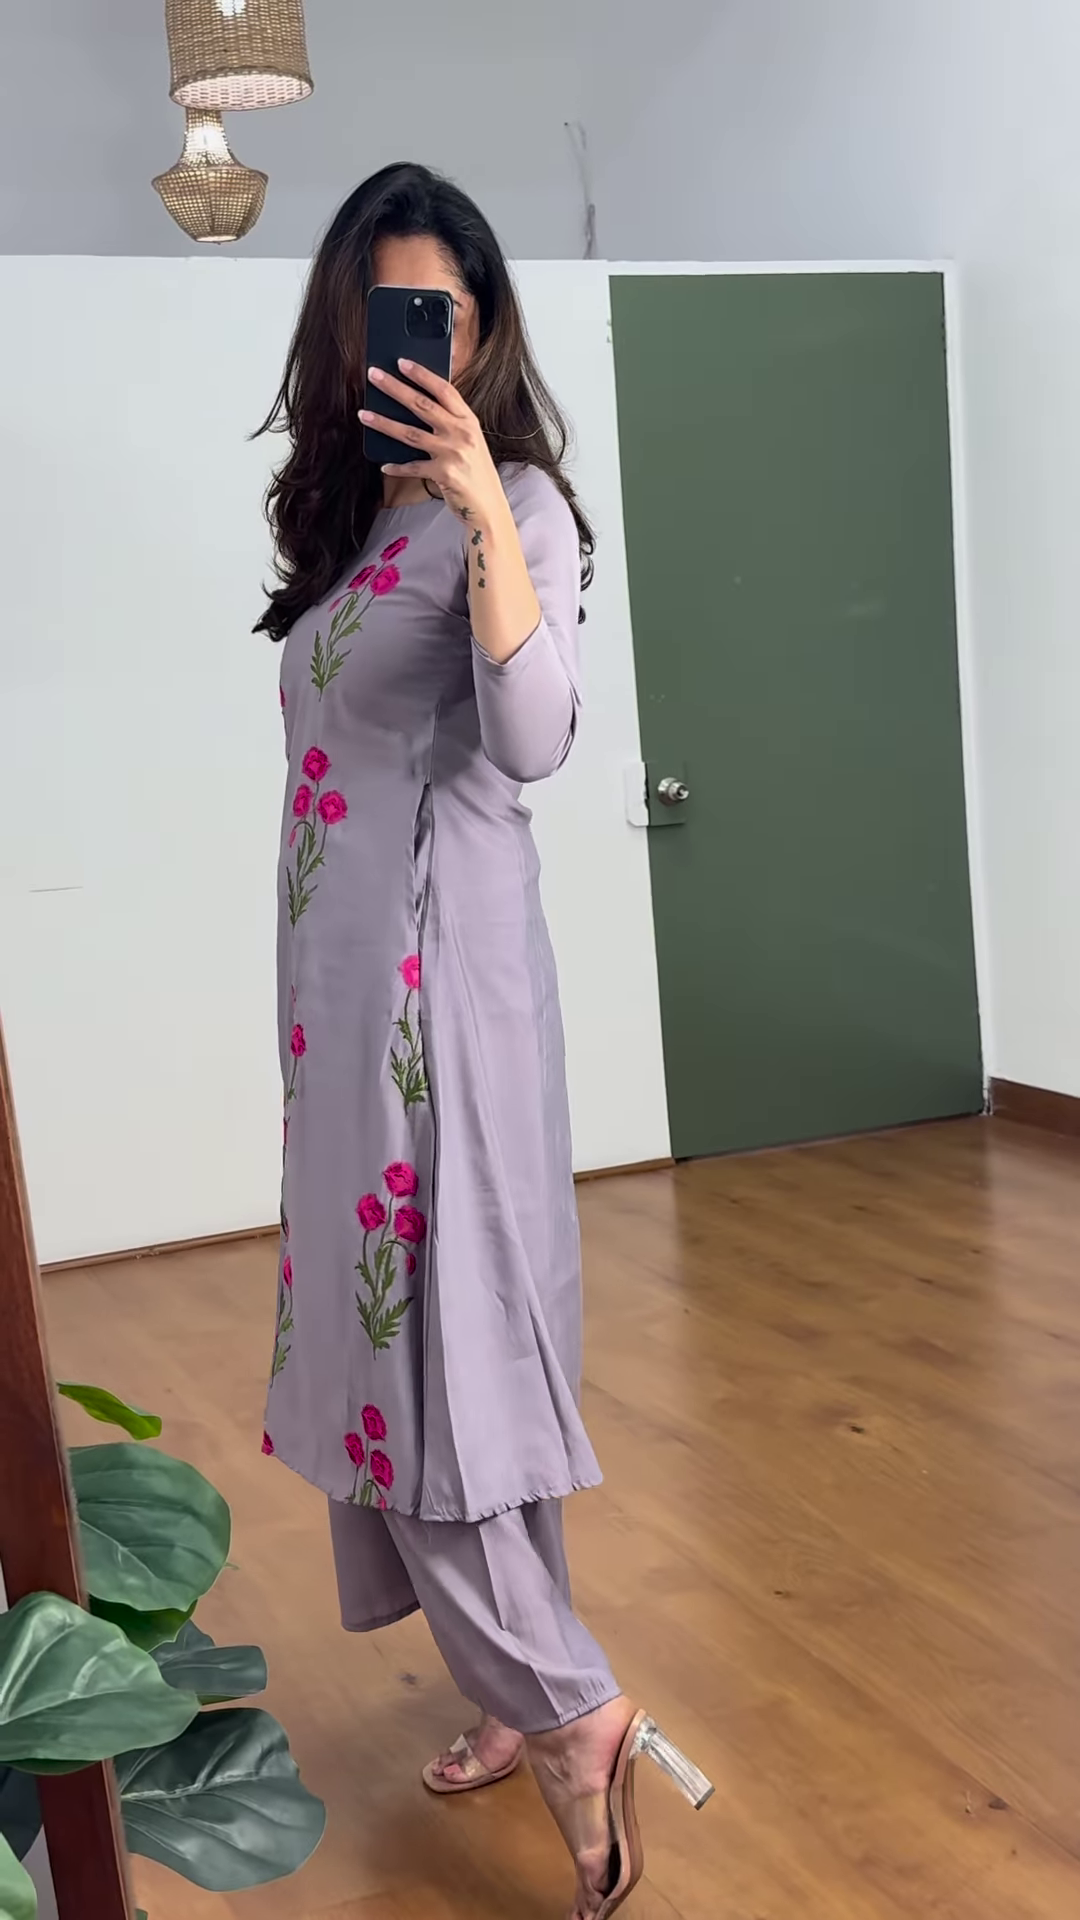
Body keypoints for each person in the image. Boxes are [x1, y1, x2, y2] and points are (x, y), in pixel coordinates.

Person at [255, 161, 710, 1920]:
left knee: (428, 1373)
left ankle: (574, 1714)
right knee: (444, 1356)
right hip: (342, 1009)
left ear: (484, 325)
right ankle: (513, 1693)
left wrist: (488, 516)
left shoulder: (512, 503)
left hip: (438, 1009)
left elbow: (533, 742)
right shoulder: (348, 524)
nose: (411, 344)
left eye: (436, 313)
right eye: (382, 314)